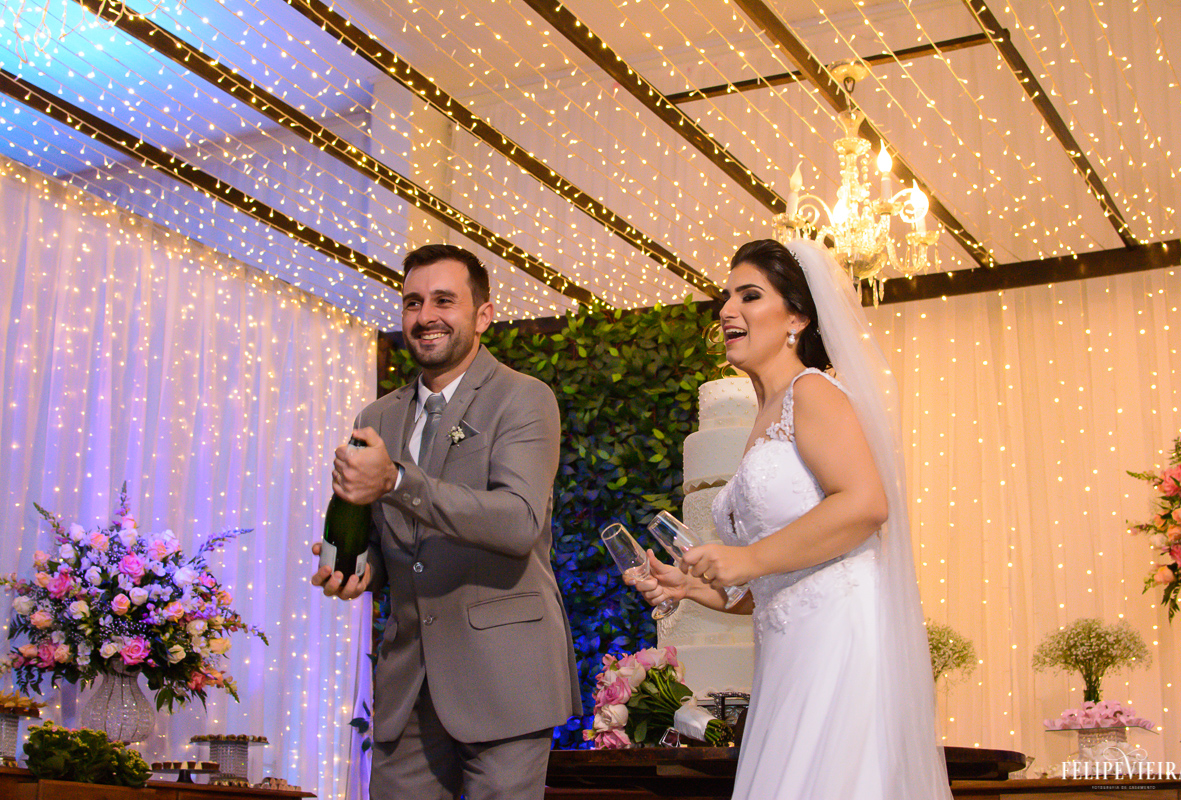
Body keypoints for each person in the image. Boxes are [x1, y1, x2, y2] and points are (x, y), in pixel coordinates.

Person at [631, 238, 951, 799]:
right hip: (787, 649)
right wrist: (693, 585)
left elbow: (865, 504)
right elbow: (781, 573)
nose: (728, 310)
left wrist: (748, 557)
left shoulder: (814, 391)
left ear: (796, 317)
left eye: (749, 296)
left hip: (838, 638)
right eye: (726, 297)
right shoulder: (763, 419)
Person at [311, 243, 581, 800]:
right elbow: (391, 539)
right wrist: (363, 570)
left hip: (504, 675)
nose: (425, 316)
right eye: (412, 302)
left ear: (482, 315)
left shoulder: (524, 399)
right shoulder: (376, 415)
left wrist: (396, 481)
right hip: (408, 678)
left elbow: (517, 522)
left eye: (443, 300)